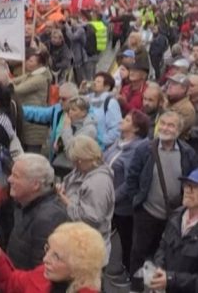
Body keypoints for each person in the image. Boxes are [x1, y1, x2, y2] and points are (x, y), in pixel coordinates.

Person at [126, 110, 198, 291]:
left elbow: (191, 181)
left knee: (166, 255)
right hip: (147, 213)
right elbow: (132, 178)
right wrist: (138, 203)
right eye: (163, 123)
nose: (165, 128)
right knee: (139, 253)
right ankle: (136, 287)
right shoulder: (144, 149)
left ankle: (158, 285)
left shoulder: (188, 153)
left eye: (171, 125)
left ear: (179, 130)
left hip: (173, 217)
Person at [0, 221, 105, 293]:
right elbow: (10, 281)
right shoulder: (43, 274)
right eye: (48, 249)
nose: (45, 259)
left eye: (56, 256)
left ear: (78, 268)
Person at [103, 110, 150, 276]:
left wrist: (112, 198)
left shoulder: (137, 149)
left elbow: (130, 181)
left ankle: (129, 272)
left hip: (123, 205)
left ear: (136, 128)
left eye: (127, 120)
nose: (122, 120)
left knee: (126, 239)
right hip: (110, 199)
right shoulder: (118, 142)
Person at [5, 153, 69, 270]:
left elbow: (42, 272)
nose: (9, 179)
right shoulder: (25, 204)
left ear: (35, 185)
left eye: (16, 176)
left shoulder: (48, 219)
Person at [56, 136, 115, 261]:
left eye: (76, 161)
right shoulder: (82, 170)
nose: (74, 164)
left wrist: (65, 201)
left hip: (89, 249)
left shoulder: (98, 184)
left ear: (84, 158)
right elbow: (70, 184)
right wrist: (62, 187)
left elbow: (90, 220)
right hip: (77, 241)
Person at [148, 167, 198, 293]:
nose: (188, 190)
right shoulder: (176, 216)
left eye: (194, 187)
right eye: (186, 185)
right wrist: (158, 268)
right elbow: (163, 246)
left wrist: (171, 279)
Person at [22, 82, 79, 160]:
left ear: (74, 99)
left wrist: (67, 128)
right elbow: (38, 113)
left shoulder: (85, 117)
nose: (60, 102)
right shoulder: (57, 109)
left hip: (72, 161)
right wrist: (19, 109)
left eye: (63, 99)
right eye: (59, 98)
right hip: (55, 159)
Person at [13, 49, 52, 152]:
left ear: (39, 64)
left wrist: (7, 82)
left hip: (35, 124)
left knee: (32, 153)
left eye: (31, 61)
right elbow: (14, 81)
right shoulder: (30, 75)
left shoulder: (39, 79)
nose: (27, 63)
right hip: (27, 120)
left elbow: (17, 90)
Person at [83, 71, 122, 148]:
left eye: (98, 81)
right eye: (94, 80)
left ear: (107, 87)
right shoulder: (87, 98)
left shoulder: (111, 102)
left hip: (99, 146)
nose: (94, 83)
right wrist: (81, 92)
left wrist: (101, 141)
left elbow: (116, 128)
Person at [164, 73, 196, 139]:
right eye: (169, 83)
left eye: (174, 84)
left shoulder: (187, 109)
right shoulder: (166, 101)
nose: (169, 86)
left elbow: (174, 131)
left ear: (183, 89)